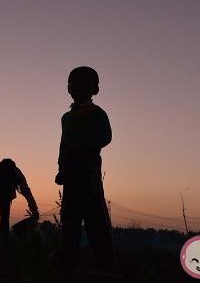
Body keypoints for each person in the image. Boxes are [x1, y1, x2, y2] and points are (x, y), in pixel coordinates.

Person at [56, 66, 115, 272]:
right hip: (70, 172)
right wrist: (61, 167)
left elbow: (105, 136)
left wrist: (81, 147)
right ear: (68, 88)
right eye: (75, 84)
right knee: (69, 214)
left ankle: (105, 261)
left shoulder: (95, 113)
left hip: (88, 170)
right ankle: (69, 256)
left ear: (95, 89)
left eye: (85, 84)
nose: (79, 88)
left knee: (95, 214)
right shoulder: (67, 117)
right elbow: (64, 145)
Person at [0, 158, 39, 239]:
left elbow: (26, 190)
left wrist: (34, 208)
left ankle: (3, 242)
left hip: (6, 191)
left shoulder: (17, 173)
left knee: (5, 218)